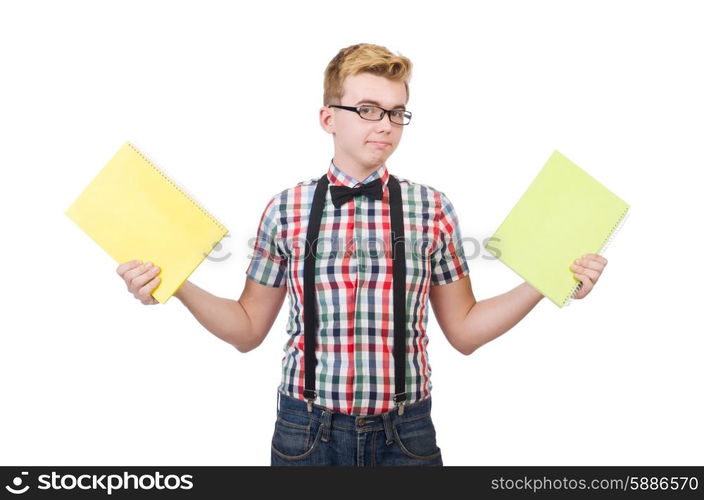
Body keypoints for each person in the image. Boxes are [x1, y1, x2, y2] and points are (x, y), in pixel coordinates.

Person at [116, 43, 608, 466]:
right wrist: (176, 283)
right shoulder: (286, 208)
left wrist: (547, 281)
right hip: (305, 435)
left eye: (397, 112)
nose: (387, 125)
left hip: (406, 434)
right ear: (328, 117)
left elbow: (465, 330)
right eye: (369, 109)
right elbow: (247, 329)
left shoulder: (432, 208)